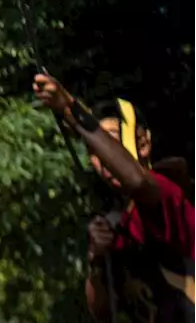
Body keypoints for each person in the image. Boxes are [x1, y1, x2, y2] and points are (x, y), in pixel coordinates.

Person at [33, 76, 196, 322]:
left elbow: (137, 180)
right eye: (92, 151)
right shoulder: (117, 224)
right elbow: (102, 312)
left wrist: (73, 110)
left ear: (143, 144)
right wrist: (97, 259)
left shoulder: (166, 192)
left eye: (110, 142)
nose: (101, 158)